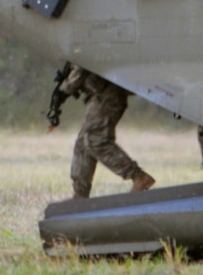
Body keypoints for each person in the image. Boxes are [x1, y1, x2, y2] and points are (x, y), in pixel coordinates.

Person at [62, 66, 155, 199]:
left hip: (106, 95)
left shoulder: (82, 48)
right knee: (83, 143)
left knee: (95, 140)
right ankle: (80, 195)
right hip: (101, 95)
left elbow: (80, 70)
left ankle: (138, 176)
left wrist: (65, 88)